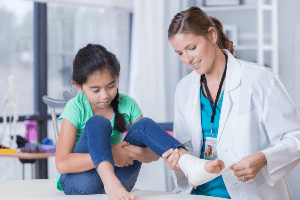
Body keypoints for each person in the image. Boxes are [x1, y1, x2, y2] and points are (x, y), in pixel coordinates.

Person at [162, 6, 300, 200]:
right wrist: (179, 161)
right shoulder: (184, 89)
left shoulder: (260, 79)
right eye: (180, 53)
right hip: (198, 194)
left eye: (192, 48)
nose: (187, 59)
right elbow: (185, 145)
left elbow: (295, 137)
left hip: (248, 194)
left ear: (211, 35)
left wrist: (263, 159)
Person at [55, 43, 224, 200]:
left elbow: (151, 155)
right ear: (78, 86)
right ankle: (110, 183)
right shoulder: (75, 107)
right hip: (81, 182)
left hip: (121, 179)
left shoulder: (127, 104)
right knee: (97, 122)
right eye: (95, 90)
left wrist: (135, 153)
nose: (105, 95)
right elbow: (62, 164)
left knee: (144, 125)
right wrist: (111, 154)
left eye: (111, 85)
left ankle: (187, 163)